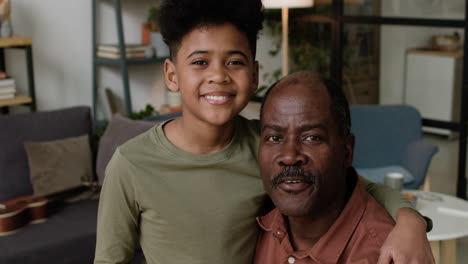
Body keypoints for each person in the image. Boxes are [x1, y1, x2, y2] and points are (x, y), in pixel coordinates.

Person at [94, 1, 433, 263]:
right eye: (200, 62)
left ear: (254, 76)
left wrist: (411, 222)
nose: (219, 76)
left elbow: (362, 185)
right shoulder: (130, 164)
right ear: (171, 75)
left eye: (234, 62)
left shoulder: (270, 147)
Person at [255, 71, 403, 263]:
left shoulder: (382, 254)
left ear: (347, 152)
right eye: (274, 138)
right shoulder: (250, 221)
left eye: (312, 138)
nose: (290, 156)